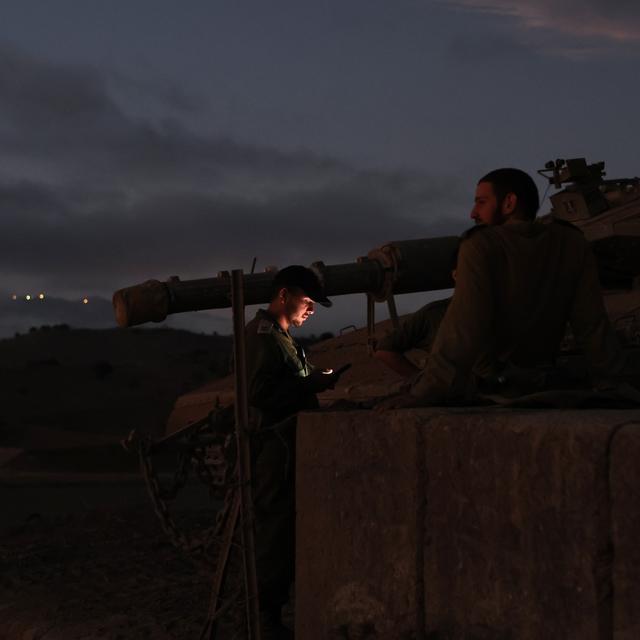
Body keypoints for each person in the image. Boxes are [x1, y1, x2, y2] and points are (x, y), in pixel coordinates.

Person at [376, 167, 626, 409]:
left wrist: (427, 390)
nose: (473, 212)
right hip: (543, 383)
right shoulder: (571, 242)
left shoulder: (481, 245)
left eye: (481, 202)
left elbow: (464, 325)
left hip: (494, 390)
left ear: (509, 203)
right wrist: (614, 384)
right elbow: (592, 323)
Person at [245, 265, 338, 638]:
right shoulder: (262, 336)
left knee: (284, 530)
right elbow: (259, 393)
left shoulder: (282, 337)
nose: (311, 310)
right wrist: (310, 384)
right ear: (284, 295)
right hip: (273, 448)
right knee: (273, 531)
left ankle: (274, 611)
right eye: (308, 300)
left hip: (286, 447)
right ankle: (266, 617)